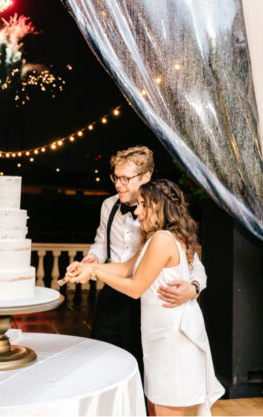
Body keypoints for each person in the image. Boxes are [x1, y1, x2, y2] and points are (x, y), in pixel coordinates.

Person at [67, 179, 225, 416]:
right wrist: (85, 268)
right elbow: (126, 268)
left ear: (160, 206)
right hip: (157, 337)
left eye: (143, 205)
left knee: (164, 407)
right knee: (154, 406)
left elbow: (135, 287)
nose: (137, 211)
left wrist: (96, 272)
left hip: (172, 339)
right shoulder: (154, 237)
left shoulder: (163, 239)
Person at [83, 146, 201, 376]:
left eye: (126, 179)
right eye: (115, 177)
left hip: (143, 299)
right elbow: (101, 242)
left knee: (138, 368)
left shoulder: (164, 221)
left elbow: (193, 263)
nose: (118, 184)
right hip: (112, 291)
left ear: (146, 177)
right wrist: (93, 258)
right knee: (100, 358)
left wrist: (194, 288)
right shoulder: (108, 205)